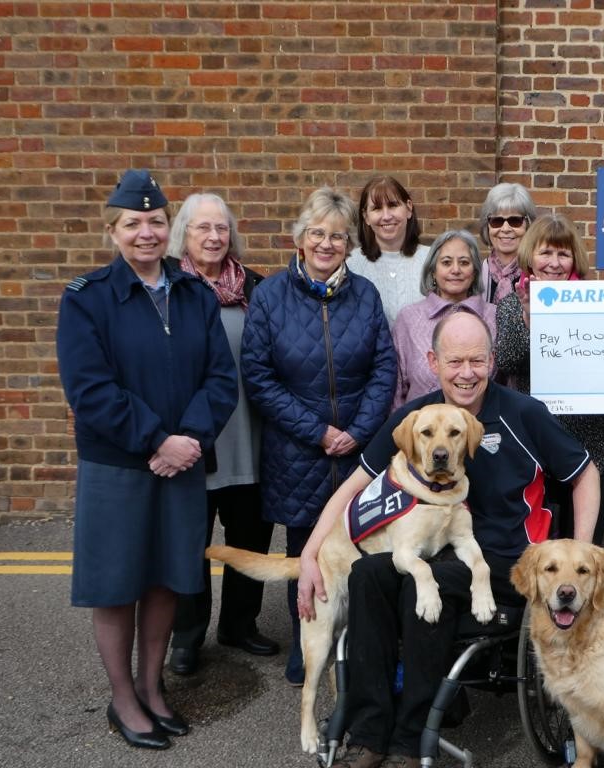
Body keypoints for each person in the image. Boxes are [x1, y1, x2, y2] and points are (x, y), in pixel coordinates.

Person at [296, 311, 600, 768]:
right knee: (366, 574)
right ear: (433, 361)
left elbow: (584, 474)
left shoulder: (522, 413)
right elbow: (355, 483)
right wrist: (309, 555)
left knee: (430, 584)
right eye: (455, 361)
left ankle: (410, 735)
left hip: (508, 558)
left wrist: (582, 554)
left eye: (477, 360)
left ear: (492, 361)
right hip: (438, 551)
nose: (466, 372)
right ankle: (370, 730)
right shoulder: (420, 418)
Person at [56, 170, 237, 749]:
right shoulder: (86, 299)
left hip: (182, 461)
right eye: (133, 223)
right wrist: (157, 439)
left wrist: (188, 440)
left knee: (166, 579)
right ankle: (123, 698)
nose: (146, 232)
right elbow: (89, 389)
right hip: (119, 466)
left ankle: (152, 687)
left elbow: (220, 378)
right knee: (117, 585)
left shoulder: (193, 295)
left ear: (169, 227)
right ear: (113, 231)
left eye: (155, 221)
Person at [241, 186, 397, 686]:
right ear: (301, 238)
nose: (326, 244)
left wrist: (356, 431)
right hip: (298, 449)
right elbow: (258, 375)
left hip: (358, 447)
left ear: (349, 243)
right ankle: (308, 643)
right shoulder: (268, 296)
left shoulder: (365, 295)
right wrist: (319, 432)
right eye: (317, 234)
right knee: (304, 552)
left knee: (365, 549)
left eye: (336, 235)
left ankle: (362, 644)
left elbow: (384, 367)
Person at [163, 193, 278, 676]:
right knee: (190, 543)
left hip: (250, 437)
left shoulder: (255, 288)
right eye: (201, 228)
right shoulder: (166, 289)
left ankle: (239, 624)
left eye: (221, 228)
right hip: (194, 441)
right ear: (183, 236)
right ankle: (187, 636)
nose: (213, 237)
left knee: (250, 537)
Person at [494, 213, 604, 545]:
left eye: (562, 254)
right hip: (540, 446)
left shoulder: (601, 305)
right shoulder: (513, 304)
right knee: (545, 548)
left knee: (586, 546)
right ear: (530, 256)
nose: (553, 263)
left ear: (574, 259)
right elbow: (508, 360)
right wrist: (530, 315)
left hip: (600, 444)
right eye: (545, 253)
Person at [390, 229, 496, 409]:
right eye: (446, 263)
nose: (456, 270)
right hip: (422, 431)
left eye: (464, 262)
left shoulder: (493, 316)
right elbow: (396, 389)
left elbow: (504, 385)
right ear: (432, 270)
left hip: (482, 430)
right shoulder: (408, 319)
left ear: (475, 271)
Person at [347, 176, 429, 327]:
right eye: (377, 208)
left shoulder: (431, 260)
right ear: (366, 216)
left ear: (409, 208)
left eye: (393, 205)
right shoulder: (351, 265)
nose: (386, 216)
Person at [477, 182, 537, 304]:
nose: (505, 229)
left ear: (529, 225)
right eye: (497, 221)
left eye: (515, 221)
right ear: (487, 226)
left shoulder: (538, 273)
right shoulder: (474, 275)